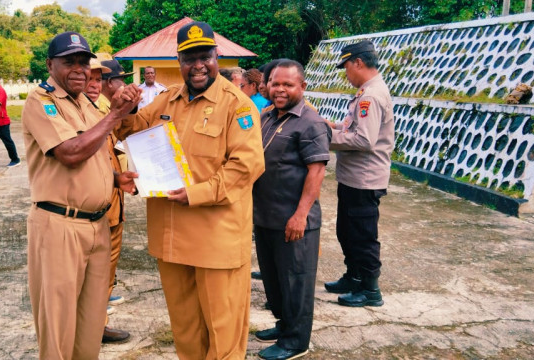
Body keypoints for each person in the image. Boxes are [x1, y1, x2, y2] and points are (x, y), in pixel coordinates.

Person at [115, 21, 265, 359]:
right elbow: (132, 130)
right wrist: (123, 107)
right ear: (179, 61)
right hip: (172, 238)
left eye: (204, 56)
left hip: (216, 239)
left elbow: (246, 167)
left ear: (217, 57)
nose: (197, 65)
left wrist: (196, 194)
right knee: (185, 328)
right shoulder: (169, 99)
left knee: (222, 329)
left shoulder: (236, 104)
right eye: (188, 58)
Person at [21, 31, 140, 359]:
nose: (78, 69)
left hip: (97, 226)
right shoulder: (40, 101)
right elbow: (71, 153)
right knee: (58, 328)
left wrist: (116, 178)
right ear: (50, 64)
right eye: (68, 61)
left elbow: (97, 151)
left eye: (83, 62)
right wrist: (114, 114)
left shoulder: (85, 103)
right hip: (60, 225)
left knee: (89, 325)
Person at [252, 59, 331, 359]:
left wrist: (300, 215)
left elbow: (316, 172)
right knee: (273, 280)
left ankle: (296, 341)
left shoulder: (310, 122)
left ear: (302, 87)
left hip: (294, 221)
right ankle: (284, 325)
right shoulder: (268, 116)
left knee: (295, 281)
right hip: (267, 217)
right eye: (275, 83)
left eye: (288, 84)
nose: (280, 89)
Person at [323, 40, 394, 307]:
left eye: (347, 67)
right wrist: (337, 125)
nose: (346, 73)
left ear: (359, 63)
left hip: (365, 179)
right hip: (353, 177)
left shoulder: (371, 96)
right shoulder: (368, 92)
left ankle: (370, 290)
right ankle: (353, 277)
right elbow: (356, 127)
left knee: (363, 236)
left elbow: (364, 140)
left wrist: (327, 135)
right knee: (346, 231)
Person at [83, 54, 132, 344]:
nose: (94, 84)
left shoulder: (103, 107)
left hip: (115, 198)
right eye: (89, 78)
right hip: (99, 204)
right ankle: (95, 326)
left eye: (98, 78)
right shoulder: (90, 111)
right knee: (97, 272)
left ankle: (98, 322)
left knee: (107, 270)